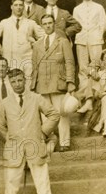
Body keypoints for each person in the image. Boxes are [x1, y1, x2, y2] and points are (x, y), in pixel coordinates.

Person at [0, 69, 61, 194]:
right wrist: (10, 140)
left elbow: (54, 115)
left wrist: (43, 133)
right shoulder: (4, 103)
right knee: (11, 186)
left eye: (19, 80)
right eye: (14, 82)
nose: (17, 84)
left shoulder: (36, 98)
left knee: (42, 183)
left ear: (25, 80)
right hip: (14, 150)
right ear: (10, 83)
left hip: (35, 147)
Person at [31, 14, 76, 152]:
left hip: (58, 83)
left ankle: (65, 142)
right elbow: (34, 66)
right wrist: (33, 85)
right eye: (45, 24)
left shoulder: (62, 42)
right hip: (42, 85)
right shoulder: (38, 44)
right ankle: (50, 143)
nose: (48, 26)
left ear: (54, 24)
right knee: (46, 117)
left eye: (50, 23)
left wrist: (70, 82)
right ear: (41, 26)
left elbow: (69, 62)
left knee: (62, 114)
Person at [0, 0, 44, 87]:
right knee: (10, 86)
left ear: (24, 7)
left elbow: (45, 37)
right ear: (11, 7)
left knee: (27, 86)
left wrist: (36, 44)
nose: (18, 7)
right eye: (16, 5)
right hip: (10, 61)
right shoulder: (4, 23)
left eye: (21, 5)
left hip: (27, 62)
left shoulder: (30, 23)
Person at [73, 0, 106, 79]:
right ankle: (84, 87)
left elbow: (103, 23)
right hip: (81, 39)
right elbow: (76, 25)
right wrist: (81, 34)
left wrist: (98, 35)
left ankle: (97, 86)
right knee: (83, 65)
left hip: (95, 39)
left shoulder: (98, 7)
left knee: (97, 63)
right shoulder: (77, 9)